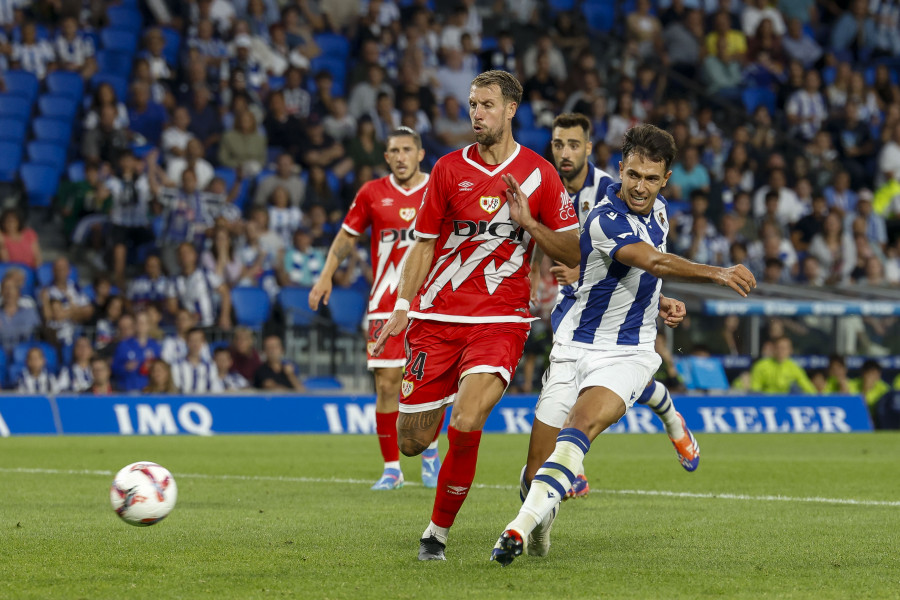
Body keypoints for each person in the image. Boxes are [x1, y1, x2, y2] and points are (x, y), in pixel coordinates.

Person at [490, 124, 756, 566]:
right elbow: (650, 259)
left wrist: (657, 301)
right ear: (621, 168)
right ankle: (539, 524)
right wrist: (718, 272)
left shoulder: (662, 212)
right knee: (536, 468)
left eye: (651, 179)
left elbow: (642, 273)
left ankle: (516, 529)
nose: (640, 186)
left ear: (666, 178)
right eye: (634, 175)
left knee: (582, 424)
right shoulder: (604, 218)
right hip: (572, 346)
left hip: (627, 352)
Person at [372, 70, 581, 561]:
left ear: (511, 109)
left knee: (465, 423)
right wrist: (403, 307)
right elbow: (422, 246)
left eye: (486, 104)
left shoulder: (540, 175)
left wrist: (529, 222)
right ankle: (440, 465)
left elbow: (572, 247)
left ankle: (435, 536)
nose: (476, 113)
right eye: (472, 104)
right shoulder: (447, 169)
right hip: (435, 318)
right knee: (414, 440)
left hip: (500, 320)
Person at [519, 114, 698, 548]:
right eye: (558, 144)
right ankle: (552, 485)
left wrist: (657, 300)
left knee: (615, 376)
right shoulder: (543, 186)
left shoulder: (622, 195)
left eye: (573, 144)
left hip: (622, 319)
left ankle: (658, 423)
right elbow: (539, 243)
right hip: (574, 311)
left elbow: (645, 260)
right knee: (538, 460)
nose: (565, 153)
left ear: (588, 148)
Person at [310, 126, 439, 491]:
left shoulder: (437, 187)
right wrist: (326, 276)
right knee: (386, 385)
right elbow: (347, 237)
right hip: (385, 301)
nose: (400, 157)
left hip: (429, 300)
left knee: (428, 383)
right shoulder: (372, 193)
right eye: (394, 151)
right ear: (386, 157)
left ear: (419, 154)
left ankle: (430, 453)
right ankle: (392, 469)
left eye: (406, 150)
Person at [112, 311, 163, 392]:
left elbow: (161, 369)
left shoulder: (155, 346)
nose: (141, 326)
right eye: (138, 322)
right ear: (134, 325)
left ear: (149, 325)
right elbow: (114, 368)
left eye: (143, 323)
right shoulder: (124, 345)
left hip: (149, 391)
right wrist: (125, 367)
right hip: (128, 390)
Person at [749, 336, 817, 394]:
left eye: (784, 348)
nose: (781, 351)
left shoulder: (794, 367)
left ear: (790, 350)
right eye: (778, 348)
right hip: (766, 403)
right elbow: (755, 391)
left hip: (787, 403)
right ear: (774, 349)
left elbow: (809, 389)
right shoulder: (761, 366)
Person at [171, 328, 223, 393]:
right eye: (192, 340)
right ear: (186, 341)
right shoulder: (176, 365)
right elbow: (176, 387)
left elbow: (215, 388)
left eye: (198, 340)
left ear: (203, 342)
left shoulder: (210, 365)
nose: (195, 344)